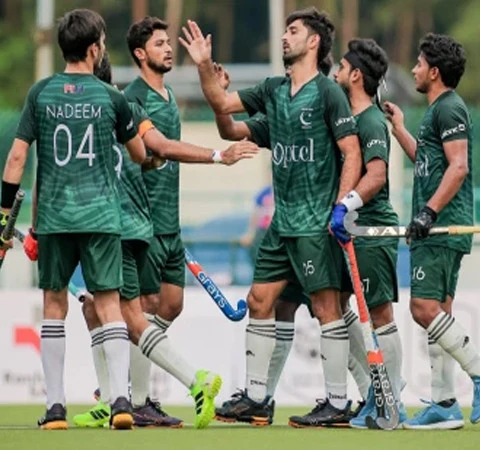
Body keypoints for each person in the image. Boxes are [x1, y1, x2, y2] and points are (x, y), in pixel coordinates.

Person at [181, 7, 364, 427]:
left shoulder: (328, 93)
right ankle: (257, 400)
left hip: (316, 223)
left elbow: (352, 152)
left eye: (293, 31)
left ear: (313, 42)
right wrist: (205, 66)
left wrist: (341, 206)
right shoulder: (273, 90)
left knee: (326, 308)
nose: (284, 36)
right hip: (281, 225)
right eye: (285, 30)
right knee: (259, 301)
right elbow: (223, 110)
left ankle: (338, 402)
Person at [0, 9, 147, 430]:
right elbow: (138, 154)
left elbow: (17, 158)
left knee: (54, 305)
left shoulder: (40, 93)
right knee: (109, 304)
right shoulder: (111, 97)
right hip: (101, 217)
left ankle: (55, 407)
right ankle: (120, 402)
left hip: (55, 219)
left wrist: (4, 217)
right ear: (94, 48)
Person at [117, 16, 256, 427]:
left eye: (168, 42)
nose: (167, 48)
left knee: (171, 305)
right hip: (142, 223)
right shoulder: (133, 97)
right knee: (144, 308)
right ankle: (137, 399)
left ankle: (130, 379)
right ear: (140, 53)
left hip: (170, 223)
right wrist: (217, 156)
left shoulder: (169, 95)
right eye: (159, 43)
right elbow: (161, 147)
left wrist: (215, 83)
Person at [384, 33, 480, 429]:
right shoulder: (437, 111)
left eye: (419, 64)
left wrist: (427, 213)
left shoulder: (450, 107)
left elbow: (458, 166)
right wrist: (399, 128)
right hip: (437, 225)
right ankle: (444, 403)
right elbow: (428, 161)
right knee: (439, 311)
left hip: (440, 226)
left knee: (423, 309)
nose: (414, 70)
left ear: (434, 72)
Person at [330, 38, 405, 428]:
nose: (336, 72)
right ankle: (377, 389)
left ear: (356, 76)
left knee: (379, 314)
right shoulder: (347, 118)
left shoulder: (372, 120)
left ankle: (392, 399)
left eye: (342, 67)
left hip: (371, 228)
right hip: (348, 231)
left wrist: (345, 206)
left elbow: (376, 176)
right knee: (337, 306)